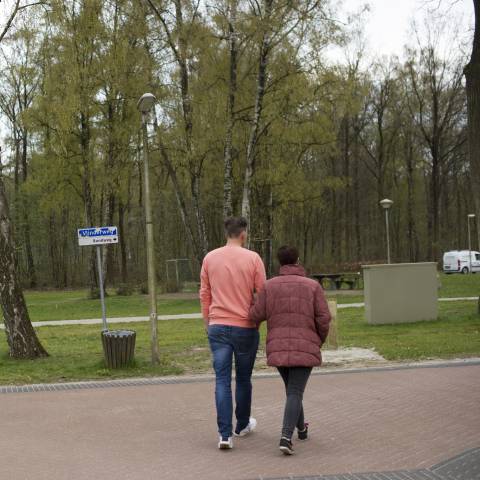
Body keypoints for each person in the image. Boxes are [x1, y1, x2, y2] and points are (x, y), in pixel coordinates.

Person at [249, 245, 331, 455]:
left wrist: (250, 302)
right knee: (295, 391)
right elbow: (324, 317)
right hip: (305, 346)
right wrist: (317, 340)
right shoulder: (312, 286)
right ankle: (286, 437)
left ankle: (301, 429)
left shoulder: (269, 286)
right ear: (297, 260)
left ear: (279, 262)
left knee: (292, 391)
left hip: (278, 348)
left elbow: (256, 315)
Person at [200, 217, 266, 450]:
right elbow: (262, 295)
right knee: (244, 379)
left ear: (227, 232)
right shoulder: (253, 259)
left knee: (222, 380)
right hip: (245, 326)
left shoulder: (210, 258)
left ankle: (224, 434)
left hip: (218, 325)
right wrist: (256, 321)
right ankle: (242, 425)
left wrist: (208, 322)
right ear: (243, 234)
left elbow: (205, 294)